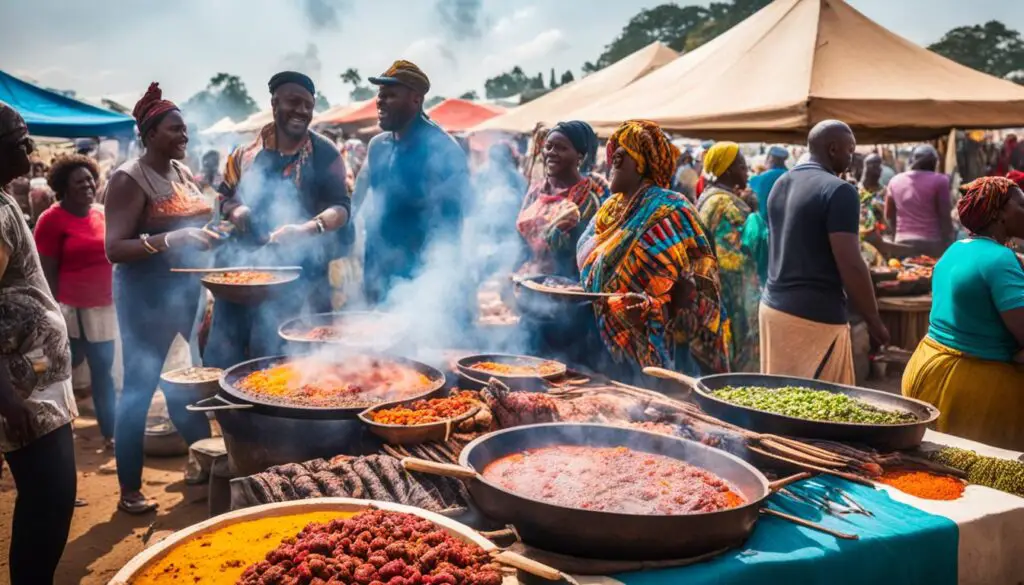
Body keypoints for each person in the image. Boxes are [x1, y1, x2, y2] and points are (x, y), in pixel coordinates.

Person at [104, 83, 216, 514]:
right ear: (150, 134)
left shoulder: (181, 173)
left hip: (183, 295)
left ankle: (206, 462)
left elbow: (195, 223)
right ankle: (130, 489)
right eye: (176, 130)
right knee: (139, 389)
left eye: (186, 130)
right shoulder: (128, 178)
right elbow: (114, 248)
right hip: (144, 301)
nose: (184, 137)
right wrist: (172, 238)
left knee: (183, 387)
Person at [209, 71, 351, 365]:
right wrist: (238, 211)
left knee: (281, 363)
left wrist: (310, 228)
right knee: (229, 359)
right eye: (293, 102)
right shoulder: (244, 154)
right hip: (245, 274)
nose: (301, 111)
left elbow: (342, 207)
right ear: (274, 104)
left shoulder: (325, 154)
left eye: (308, 106)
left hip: (301, 278)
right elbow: (223, 196)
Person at [578, 120, 731, 381]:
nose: (609, 163)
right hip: (605, 344)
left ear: (642, 162)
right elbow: (586, 258)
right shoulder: (610, 209)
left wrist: (656, 306)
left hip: (661, 353)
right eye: (610, 154)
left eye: (619, 156)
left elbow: (702, 288)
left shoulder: (671, 208)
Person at [0, 102, 77, 585]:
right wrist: (8, 399)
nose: (30, 149)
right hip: (22, 392)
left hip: (36, 381)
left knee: (48, 498)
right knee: (48, 500)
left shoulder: (5, 198)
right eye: (18, 139)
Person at [761, 120, 889, 384]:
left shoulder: (781, 184)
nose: (852, 158)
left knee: (779, 408)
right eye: (849, 150)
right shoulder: (839, 190)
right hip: (814, 318)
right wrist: (874, 322)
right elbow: (851, 263)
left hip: (773, 309)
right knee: (824, 415)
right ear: (833, 149)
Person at [903, 177, 1024, 450]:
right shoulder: (1000, 259)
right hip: (971, 387)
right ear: (999, 213)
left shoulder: (956, 249)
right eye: (1022, 206)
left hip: (928, 365)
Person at [357, 60, 471, 308]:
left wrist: (435, 290)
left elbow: (450, 229)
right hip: (377, 268)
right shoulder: (377, 146)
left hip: (420, 279)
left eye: (390, 95)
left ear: (416, 100)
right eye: (380, 95)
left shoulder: (443, 149)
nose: (380, 101)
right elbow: (369, 205)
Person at [33, 155, 116, 448]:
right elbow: (45, 270)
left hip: (104, 307)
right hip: (70, 310)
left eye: (90, 179)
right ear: (63, 187)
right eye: (79, 181)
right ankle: (57, 436)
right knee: (63, 372)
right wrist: (52, 312)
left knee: (103, 370)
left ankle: (110, 432)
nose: (88, 185)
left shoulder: (101, 213)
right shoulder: (50, 219)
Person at [515, 120, 607, 278]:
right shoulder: (537, 190)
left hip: (567, 289)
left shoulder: (588, 199)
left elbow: (586, 252)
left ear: (580, 156)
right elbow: (521, 240)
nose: (551, 152)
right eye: (548, 146)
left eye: (561, 148)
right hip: (530, 281)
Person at [696, 142, 759, 372]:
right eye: (743, 166)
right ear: (728, 170)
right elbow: (732, 260)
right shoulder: (726, 204)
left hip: (719, 292)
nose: (747, 172)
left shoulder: (709, 196)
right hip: (734, 297)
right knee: (739, 360)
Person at [884, 145, 953, 258]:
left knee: (906, 275)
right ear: (934, 163)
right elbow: (944, 215)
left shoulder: (895, 181)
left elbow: (889, 215)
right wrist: (948, 242)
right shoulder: (941, 180)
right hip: (932, 243)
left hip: (902, 242)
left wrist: (897, 235)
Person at [744, 145, 788, 285]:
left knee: (764, 276)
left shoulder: (758, 180)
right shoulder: (793, 177)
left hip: (763, 234)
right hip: (788, 236)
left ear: (770, 159)